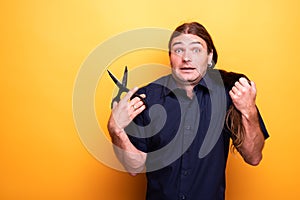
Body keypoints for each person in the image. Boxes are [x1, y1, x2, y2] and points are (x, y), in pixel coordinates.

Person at [107, 22, 269, 200]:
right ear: (170, 57)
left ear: (210, 57)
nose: (186, 58)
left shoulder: (230, 93)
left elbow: (253, 156)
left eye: (196, 50)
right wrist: (116, 130)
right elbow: (134, 167)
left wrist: (249, 111)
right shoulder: (146, 98)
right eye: (178, 50)